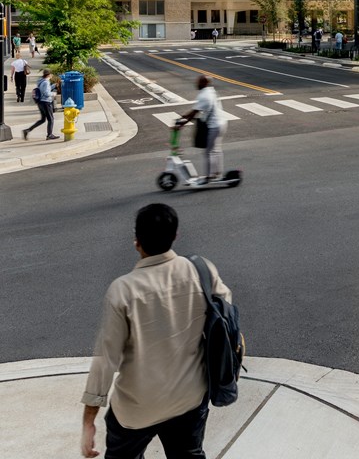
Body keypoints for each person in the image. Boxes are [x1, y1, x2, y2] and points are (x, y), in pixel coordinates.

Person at [81, 201, 233, 459]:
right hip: (189, 398)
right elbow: (225, 312)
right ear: (175, 235)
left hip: (137, 409)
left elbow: (106, 360)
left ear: (136, 242)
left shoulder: (123, 290)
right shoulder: (201, 271)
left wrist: (88, 420)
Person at [177, 75, 227, 183]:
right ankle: (217, 173)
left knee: (208, 152)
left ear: (204, 83)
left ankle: (209, 177)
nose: (196, 83)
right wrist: (184, 117)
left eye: (198, 82)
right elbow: (196, 111)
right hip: (221, 122)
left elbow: (194, 113)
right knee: (216, 150)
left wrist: (182, 123)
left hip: (215, 126)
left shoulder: (205, 96)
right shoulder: (210, 91)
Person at [23, 68, 58, 141]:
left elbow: (44, 89)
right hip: (46, 102)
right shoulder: (46, 82)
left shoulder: (41, 81)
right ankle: (49, 135)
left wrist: (53, 86)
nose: (52, 75)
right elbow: (46, 93)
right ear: (49, 75)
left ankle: (27, 130)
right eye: (51, 74)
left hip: (41, 102)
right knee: (51, 119)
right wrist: (53, 94)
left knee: (42, 119)